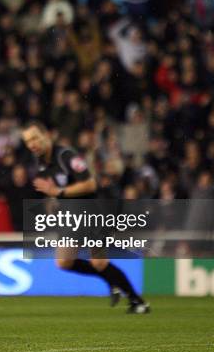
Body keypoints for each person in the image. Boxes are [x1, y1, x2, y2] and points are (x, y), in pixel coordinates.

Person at [21, 121, 149, 314]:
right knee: (68, 262)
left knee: (92, 262)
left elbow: (90, 184)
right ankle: (125, 292)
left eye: (34, 138)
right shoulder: (42, 163)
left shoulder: (66, 155)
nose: (32, 144)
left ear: (46, 135)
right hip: (72, 214)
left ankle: (136, 300)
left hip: (89, 212)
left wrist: (59, 192)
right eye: (27, 141)